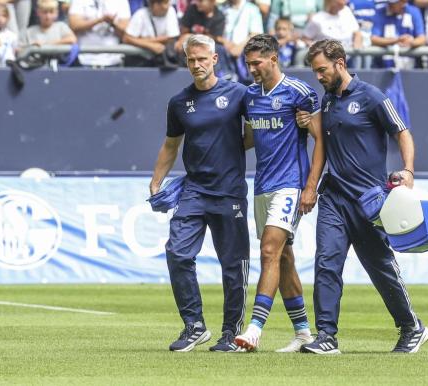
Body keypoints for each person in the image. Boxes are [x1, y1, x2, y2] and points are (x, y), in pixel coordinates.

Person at [297, 39, 428, 355]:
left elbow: (402, 132)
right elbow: (323, 147)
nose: (318, 77)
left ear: (340, 62)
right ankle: (326, 335)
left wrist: (408, 170)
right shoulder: (326, 102)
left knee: (380, 267)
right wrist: (312, 186)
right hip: (334, 198)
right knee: (326, 263)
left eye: (322, 70)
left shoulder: (372, 97)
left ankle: (412, 326)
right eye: (315, 71)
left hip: (369, 201)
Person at [149, 34, 250, 353]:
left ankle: (230, 333)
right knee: (177, 252)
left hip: (229, 191)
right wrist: (156, 181)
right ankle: (194, 326)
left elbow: (257, 133)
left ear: (215, 58)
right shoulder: (179, 102)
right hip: (194, 190)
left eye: (201, 59)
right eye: (191, 60)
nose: (196, 65)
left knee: (233, 265)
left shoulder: (239, 94)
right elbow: (170, 144)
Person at [234, 34, 325, 352]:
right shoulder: (249, 96)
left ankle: (254, 330)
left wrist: (310, 186)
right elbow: (248, 139)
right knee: (284, 258)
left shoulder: (299, 92)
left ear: (273, 59)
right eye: (248, 64)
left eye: (256, 63)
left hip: (290, 184)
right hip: (262, 186)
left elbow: (320, 140)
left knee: (269, 252)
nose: (252, 69)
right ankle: (303, 333)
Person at [68, 0, 130, 67]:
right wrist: (100, 20)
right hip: (84, 58)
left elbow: (126, 32)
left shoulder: (121, 1)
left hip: (112, 60)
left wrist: (112, 23)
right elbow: (74, 25)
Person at [302, 0, 363, 65]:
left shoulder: (346, 11)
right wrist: (317, 49)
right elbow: (305, 38)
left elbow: (357, 33)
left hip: (350, 59)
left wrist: (356, 47)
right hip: (328, 62)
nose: (345, 1)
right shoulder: (317, 19)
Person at [371, 0, 426, 69]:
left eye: (393, 3)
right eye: (389, 3)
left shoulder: (414, 11)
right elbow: (374, 39)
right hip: (384, 67)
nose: (390, 5)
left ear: (403, 2)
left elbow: (422, 38)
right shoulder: (380, 12)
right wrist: (396, 40)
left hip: (411, 66)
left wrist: (411, 42)